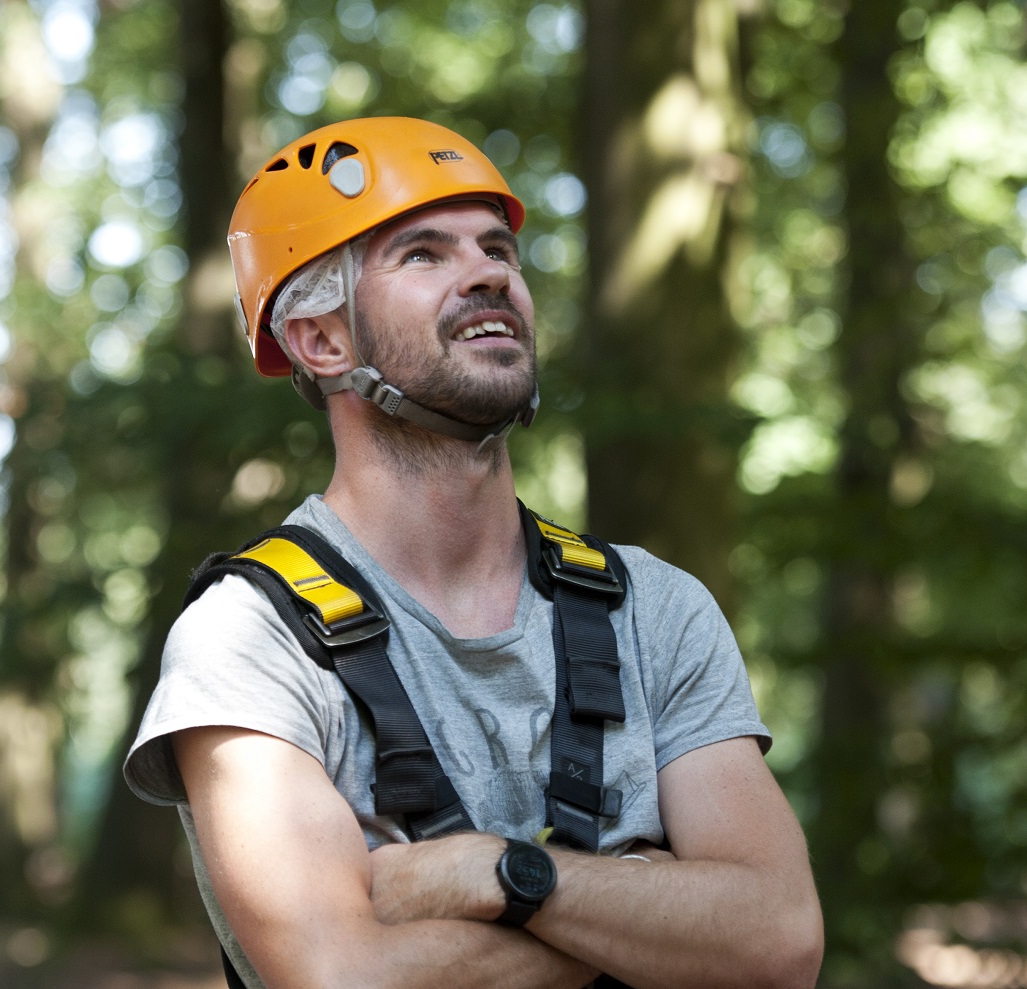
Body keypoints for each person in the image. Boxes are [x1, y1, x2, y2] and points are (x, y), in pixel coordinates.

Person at [123, 117, 822, 989]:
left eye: (498, 248)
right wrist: (648, 901)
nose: (490, 271)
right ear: (321, 340)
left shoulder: (656, 606)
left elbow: (777, 942)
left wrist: (493, 874)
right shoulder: (252, 636)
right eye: (423, 254)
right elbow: (344, 979)